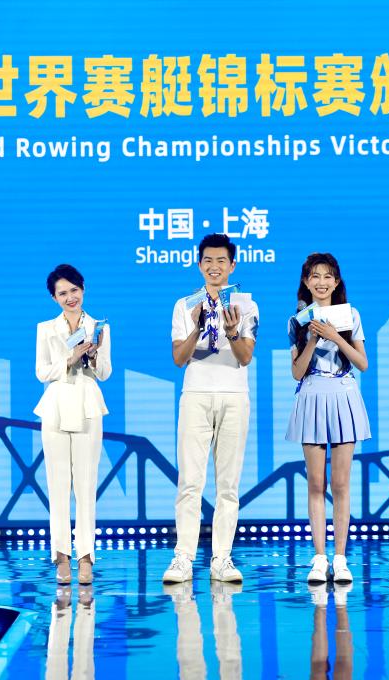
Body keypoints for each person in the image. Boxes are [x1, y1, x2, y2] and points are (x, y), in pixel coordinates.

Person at [163, 233, 259, 584]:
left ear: (232, 265)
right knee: (190, 481)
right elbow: (179, 358)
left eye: (221, 261)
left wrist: (231, 330)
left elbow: (245, 356)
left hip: (234, 395)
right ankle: (183, 558)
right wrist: (198, 326)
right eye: (208, 261)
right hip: (196, 395)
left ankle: (222, 558)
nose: (214, 267)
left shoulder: (247, 305)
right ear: (199, 264)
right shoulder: (184, 305)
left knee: (228, 484)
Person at [285, 253, 370, 583]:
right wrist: (312, 339)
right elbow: (296, 372)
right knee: (316, 484)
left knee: (341, 483)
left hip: (344, 395)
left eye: (327, 276)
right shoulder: (297, 321)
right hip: (312, 395)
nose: (321, 282)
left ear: (336, 282)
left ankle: (341, 558)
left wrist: (335, 337)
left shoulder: (351, 314)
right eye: (315, 276)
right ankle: (320, 558)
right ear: (306, 282)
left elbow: (362, 363)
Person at [35, 264, 111, 585]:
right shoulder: (45, 329)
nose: (70, 297)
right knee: (58, 487)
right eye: (63, 293)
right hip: (55, 407)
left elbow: (104, 372)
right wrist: (70, 356)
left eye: (74, 290)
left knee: (85, 487)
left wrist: (93, 355)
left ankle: (86, 557)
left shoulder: (99, 326)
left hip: (87, 405)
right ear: (54, 298)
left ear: (83, 290)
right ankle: (61, 557)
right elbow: (41, 372)